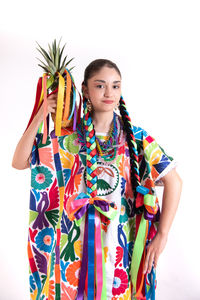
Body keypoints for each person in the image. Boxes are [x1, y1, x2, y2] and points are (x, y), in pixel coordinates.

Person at [12, 59, 182, 300]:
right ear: (85, 90)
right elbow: (19, 162)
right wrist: (41, 114)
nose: (109, 92)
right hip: (72, 247)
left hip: (120, 244)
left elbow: (174, 181)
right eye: (100, 85)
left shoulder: (135, 138)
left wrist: (162, 235)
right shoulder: (67, 139)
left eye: (115, 86)